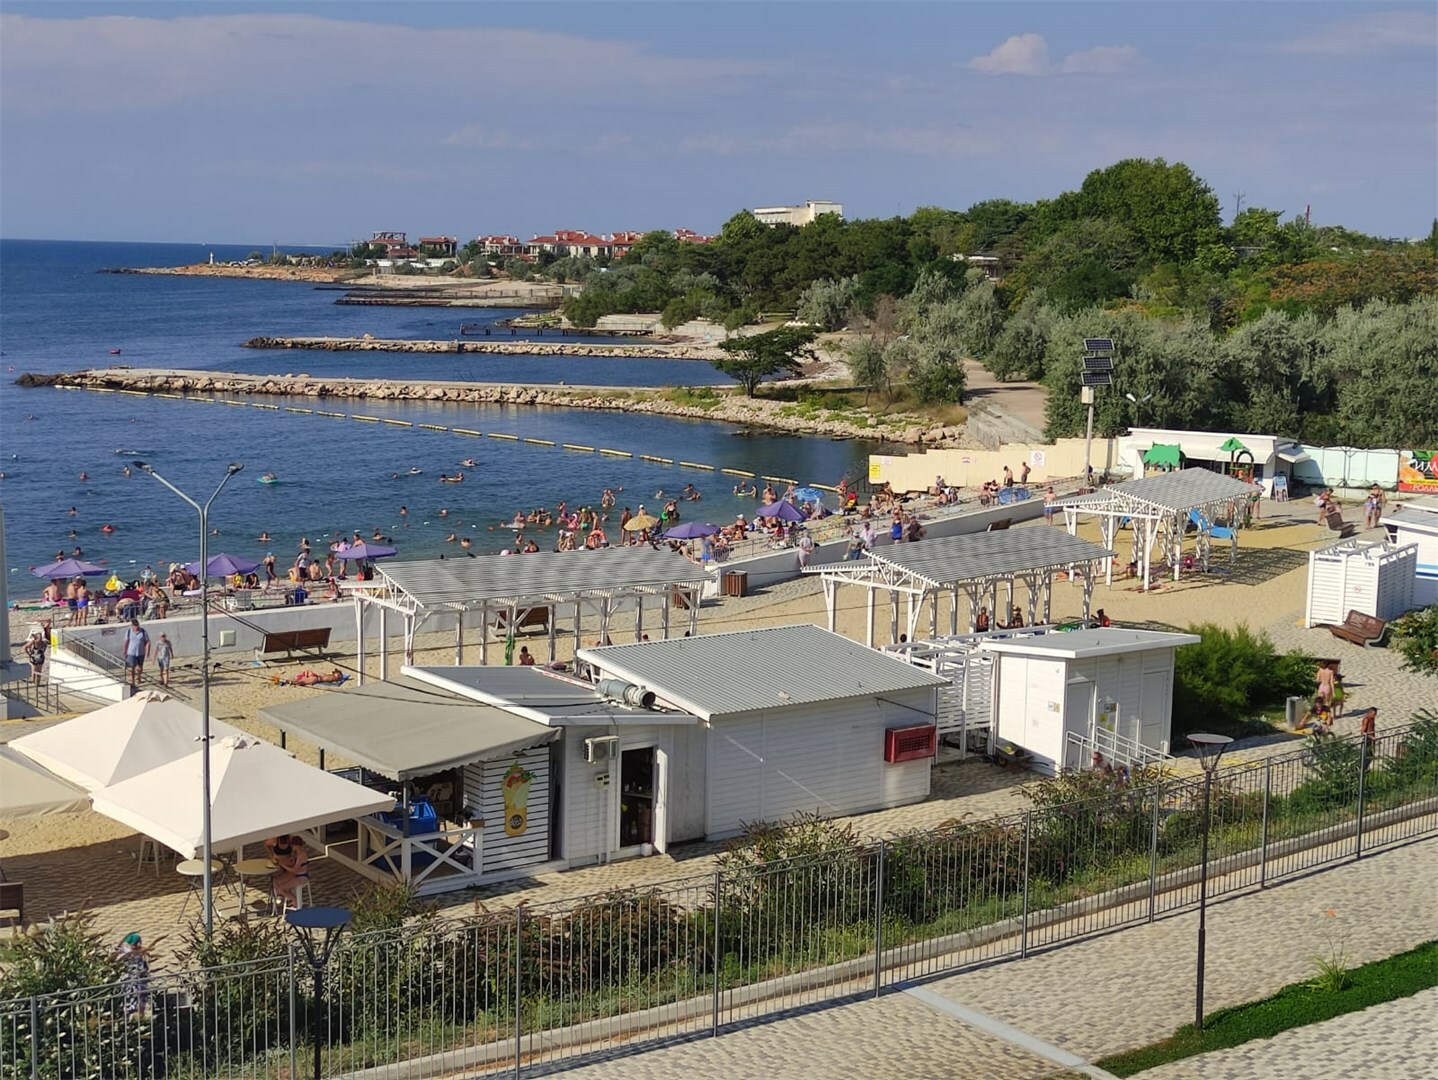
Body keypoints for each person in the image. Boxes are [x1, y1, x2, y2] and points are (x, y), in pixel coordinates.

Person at [265, 835, 310, 908]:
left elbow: (294, 870)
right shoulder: (297, 854)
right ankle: (289, 897)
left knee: (281, 889)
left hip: (301, 877)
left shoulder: (302, 855)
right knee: (276, 882)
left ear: (297, 846)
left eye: (293, 845)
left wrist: (282, 865)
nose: (291, 847)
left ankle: (295, 900)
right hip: (295, 875)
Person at [115, 933, 152, 1016]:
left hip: (139, 978)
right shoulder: (125, 951)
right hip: (131, 979)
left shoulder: (135, 950)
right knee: (132, 996)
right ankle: (131, 1013)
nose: (138, 945)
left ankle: (139, 1014)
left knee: (140, 996)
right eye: (136, 943)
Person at [122, 617, 150, 692]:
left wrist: (147, 652)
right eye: (134, 625)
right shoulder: (128, 632)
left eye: (137, 625)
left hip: (141, 652)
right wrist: (124, 651)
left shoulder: (143, 631)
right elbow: (126, 642)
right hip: (131, 652)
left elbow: (147, 642)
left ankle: (139, 677)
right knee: (132, 668)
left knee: (140, 667)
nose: (136, 627)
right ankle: (133, 681)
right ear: (132, 626)